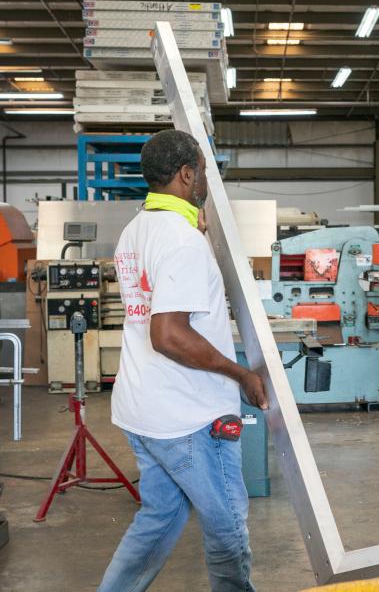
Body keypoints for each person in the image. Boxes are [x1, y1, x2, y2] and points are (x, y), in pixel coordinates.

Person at [98, 129, 268, 592]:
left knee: (160, 518)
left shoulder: (137, 229)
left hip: (142, 409)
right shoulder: (181, 241)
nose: (208, 178)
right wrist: (239, 373)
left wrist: (195, 229)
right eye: (204, 171)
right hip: (188, 416)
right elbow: (169, 335)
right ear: (186, 175)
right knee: (227, 527)